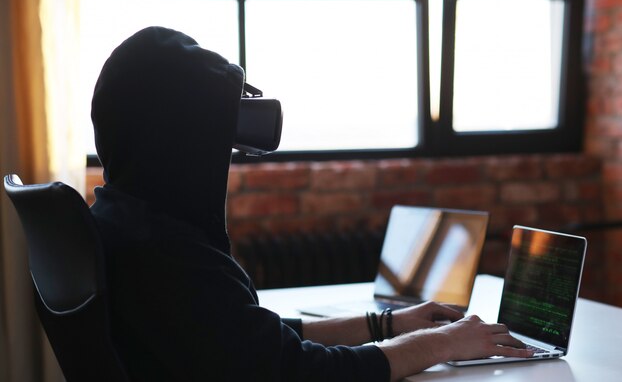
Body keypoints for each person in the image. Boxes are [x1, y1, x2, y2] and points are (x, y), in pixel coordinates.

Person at [89, 26, 532, 382]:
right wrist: (444, 344)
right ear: (183, 138)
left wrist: (389, 325)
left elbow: (252, 339)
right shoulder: (167, 253)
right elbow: (300, 371)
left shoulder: (127, 220)